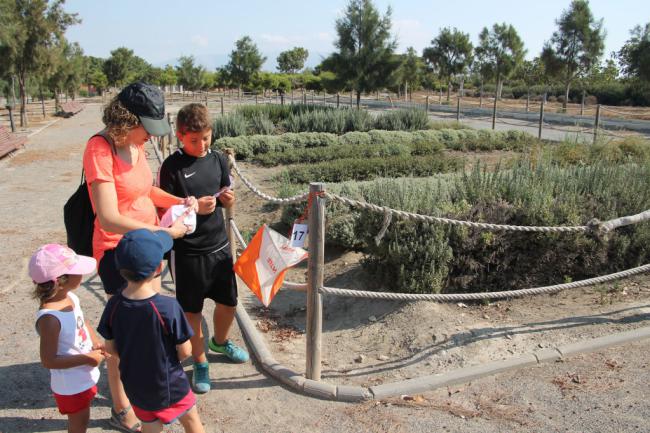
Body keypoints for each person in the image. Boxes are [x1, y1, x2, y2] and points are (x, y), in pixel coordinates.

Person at [83, 81, 196, 432]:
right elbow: (108, 217)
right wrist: (162, 234)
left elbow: (144, 189)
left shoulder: (135, 145)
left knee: (147, 327)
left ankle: (147, 386)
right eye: (145, 127)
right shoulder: (99, 149)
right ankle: (121, 404)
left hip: (148, 246)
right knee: (127, 331)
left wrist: (178, 202)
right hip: (122, 252)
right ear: (126, 120)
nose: (150, 136)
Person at [158, 103, 249, 395]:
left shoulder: (220, 160)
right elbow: (164, 208)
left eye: (206, 138)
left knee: (229, 304)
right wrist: (195, 206)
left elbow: (226, 194)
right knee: (192, 313)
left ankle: (219, 342)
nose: (201, 145)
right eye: (194, 140)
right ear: (180, 136)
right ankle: (199, 363)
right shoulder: (171, 167)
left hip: (219, 246)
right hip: (186, 253)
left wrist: (227, 200)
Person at [97, 229, 205, 433]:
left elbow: (112, 348)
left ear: (119, 268)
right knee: (191, 422)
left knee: (150, 426)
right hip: (169, 384)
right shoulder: (168, 307)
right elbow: (185, 351)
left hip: (135, 386)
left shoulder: (113, 306)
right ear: (159, 267)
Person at [30, 244, 105, 433]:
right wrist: (88, 358)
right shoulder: (50, 319)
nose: (82, 275)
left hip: (82, 375)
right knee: (79, 424)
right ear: (60, 281)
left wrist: (94, 341)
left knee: (83, 418)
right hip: (71, 384)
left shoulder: (70, 296)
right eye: (77, 271)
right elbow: (48, 360)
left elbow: (81, 320)